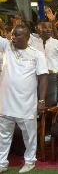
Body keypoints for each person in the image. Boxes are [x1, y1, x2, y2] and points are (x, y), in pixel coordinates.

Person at [0, 24, 48, 173]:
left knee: (29, 135)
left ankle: (30, 161)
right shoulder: (7, 46)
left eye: (17, 35)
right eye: (13, 34)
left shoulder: (37, 54)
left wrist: (41, 101)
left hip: (27, 103)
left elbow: (44, 78)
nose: (13, 37)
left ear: (27, 38)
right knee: (3, 136)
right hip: (6, 102)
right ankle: (2, 163)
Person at [34, 21, 58, 106]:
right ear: (39, 30)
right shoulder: (34, 44)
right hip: (38, 79)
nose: (48, 29)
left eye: (50, 27)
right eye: (45, 27)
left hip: (54, 79)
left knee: (55, 104)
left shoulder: (57, 43)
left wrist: (54, 71)